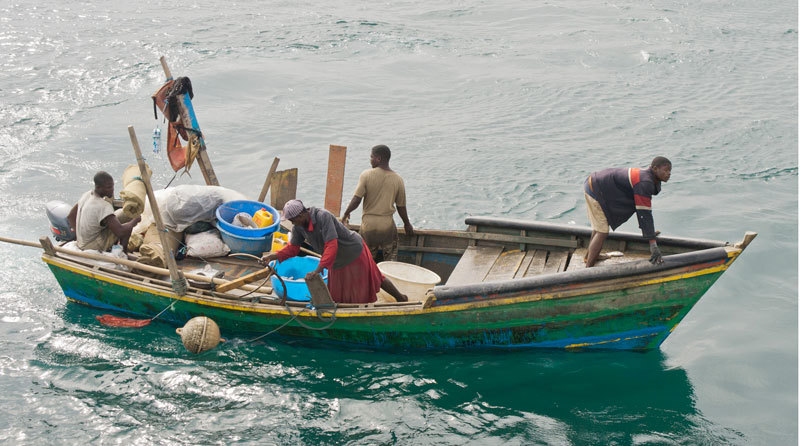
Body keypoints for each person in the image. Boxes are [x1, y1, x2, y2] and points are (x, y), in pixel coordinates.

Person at [261, 200, 409, 303]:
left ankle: (400, 297)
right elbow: (293, 248)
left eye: (293, 220)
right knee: (338, 294)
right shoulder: (298, 227)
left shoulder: (322, 216)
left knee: (376, 278)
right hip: (335, 261)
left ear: (301, 215)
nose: (292, 223)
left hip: (353, 251)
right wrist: (273, 256)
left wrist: (318, 269)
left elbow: (332, 245)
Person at [583, 156, 672, 267]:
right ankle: (589, 268)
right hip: (595, 187)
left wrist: (650, 233)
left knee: (599, 227)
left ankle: (589, 256)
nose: (669, 174)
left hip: (594, 183)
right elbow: (645, 214)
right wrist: (653, 245)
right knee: (602, 231)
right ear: (654, 169)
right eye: (666, 170)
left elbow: (643, 211)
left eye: (670, 171)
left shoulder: (647, 178)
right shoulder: (645, 182)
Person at [341, 144, 414, 263]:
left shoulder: (366, 175)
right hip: (386, 226)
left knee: (366, 261)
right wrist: (407, 224)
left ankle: (368, 278)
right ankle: (389, 276)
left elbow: (356, 199)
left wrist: (346, 214)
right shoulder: (398, 179)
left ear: (378, 159)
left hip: (368, 226)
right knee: (391, 258)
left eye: (371, 157)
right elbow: (401, 207)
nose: (370, 160)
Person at [67, 171, 141, 252]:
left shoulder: (87, 194)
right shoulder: (103, 206)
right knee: (129, 222)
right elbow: (120, 232)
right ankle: (123, 254)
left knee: (125, 214)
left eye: (113, 186)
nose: (112, 190)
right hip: (93, 246)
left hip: (83, 241)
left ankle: (116, 248)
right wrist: (135, 220)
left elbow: (70, 216)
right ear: (98, 187)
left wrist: (79, 237)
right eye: (109, 187)